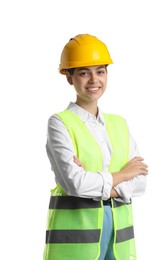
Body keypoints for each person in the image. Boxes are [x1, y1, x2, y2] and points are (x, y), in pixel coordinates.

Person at [43, 34, 148, 260]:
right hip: (76, 246)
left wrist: (97, 183)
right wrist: (123, 175)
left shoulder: (119, 124)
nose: (94, 80)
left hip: (118, 245)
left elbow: (140, 182)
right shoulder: (60, 123)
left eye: (100, 71)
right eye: (83, 72)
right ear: (69, 78)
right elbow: (75, 183)